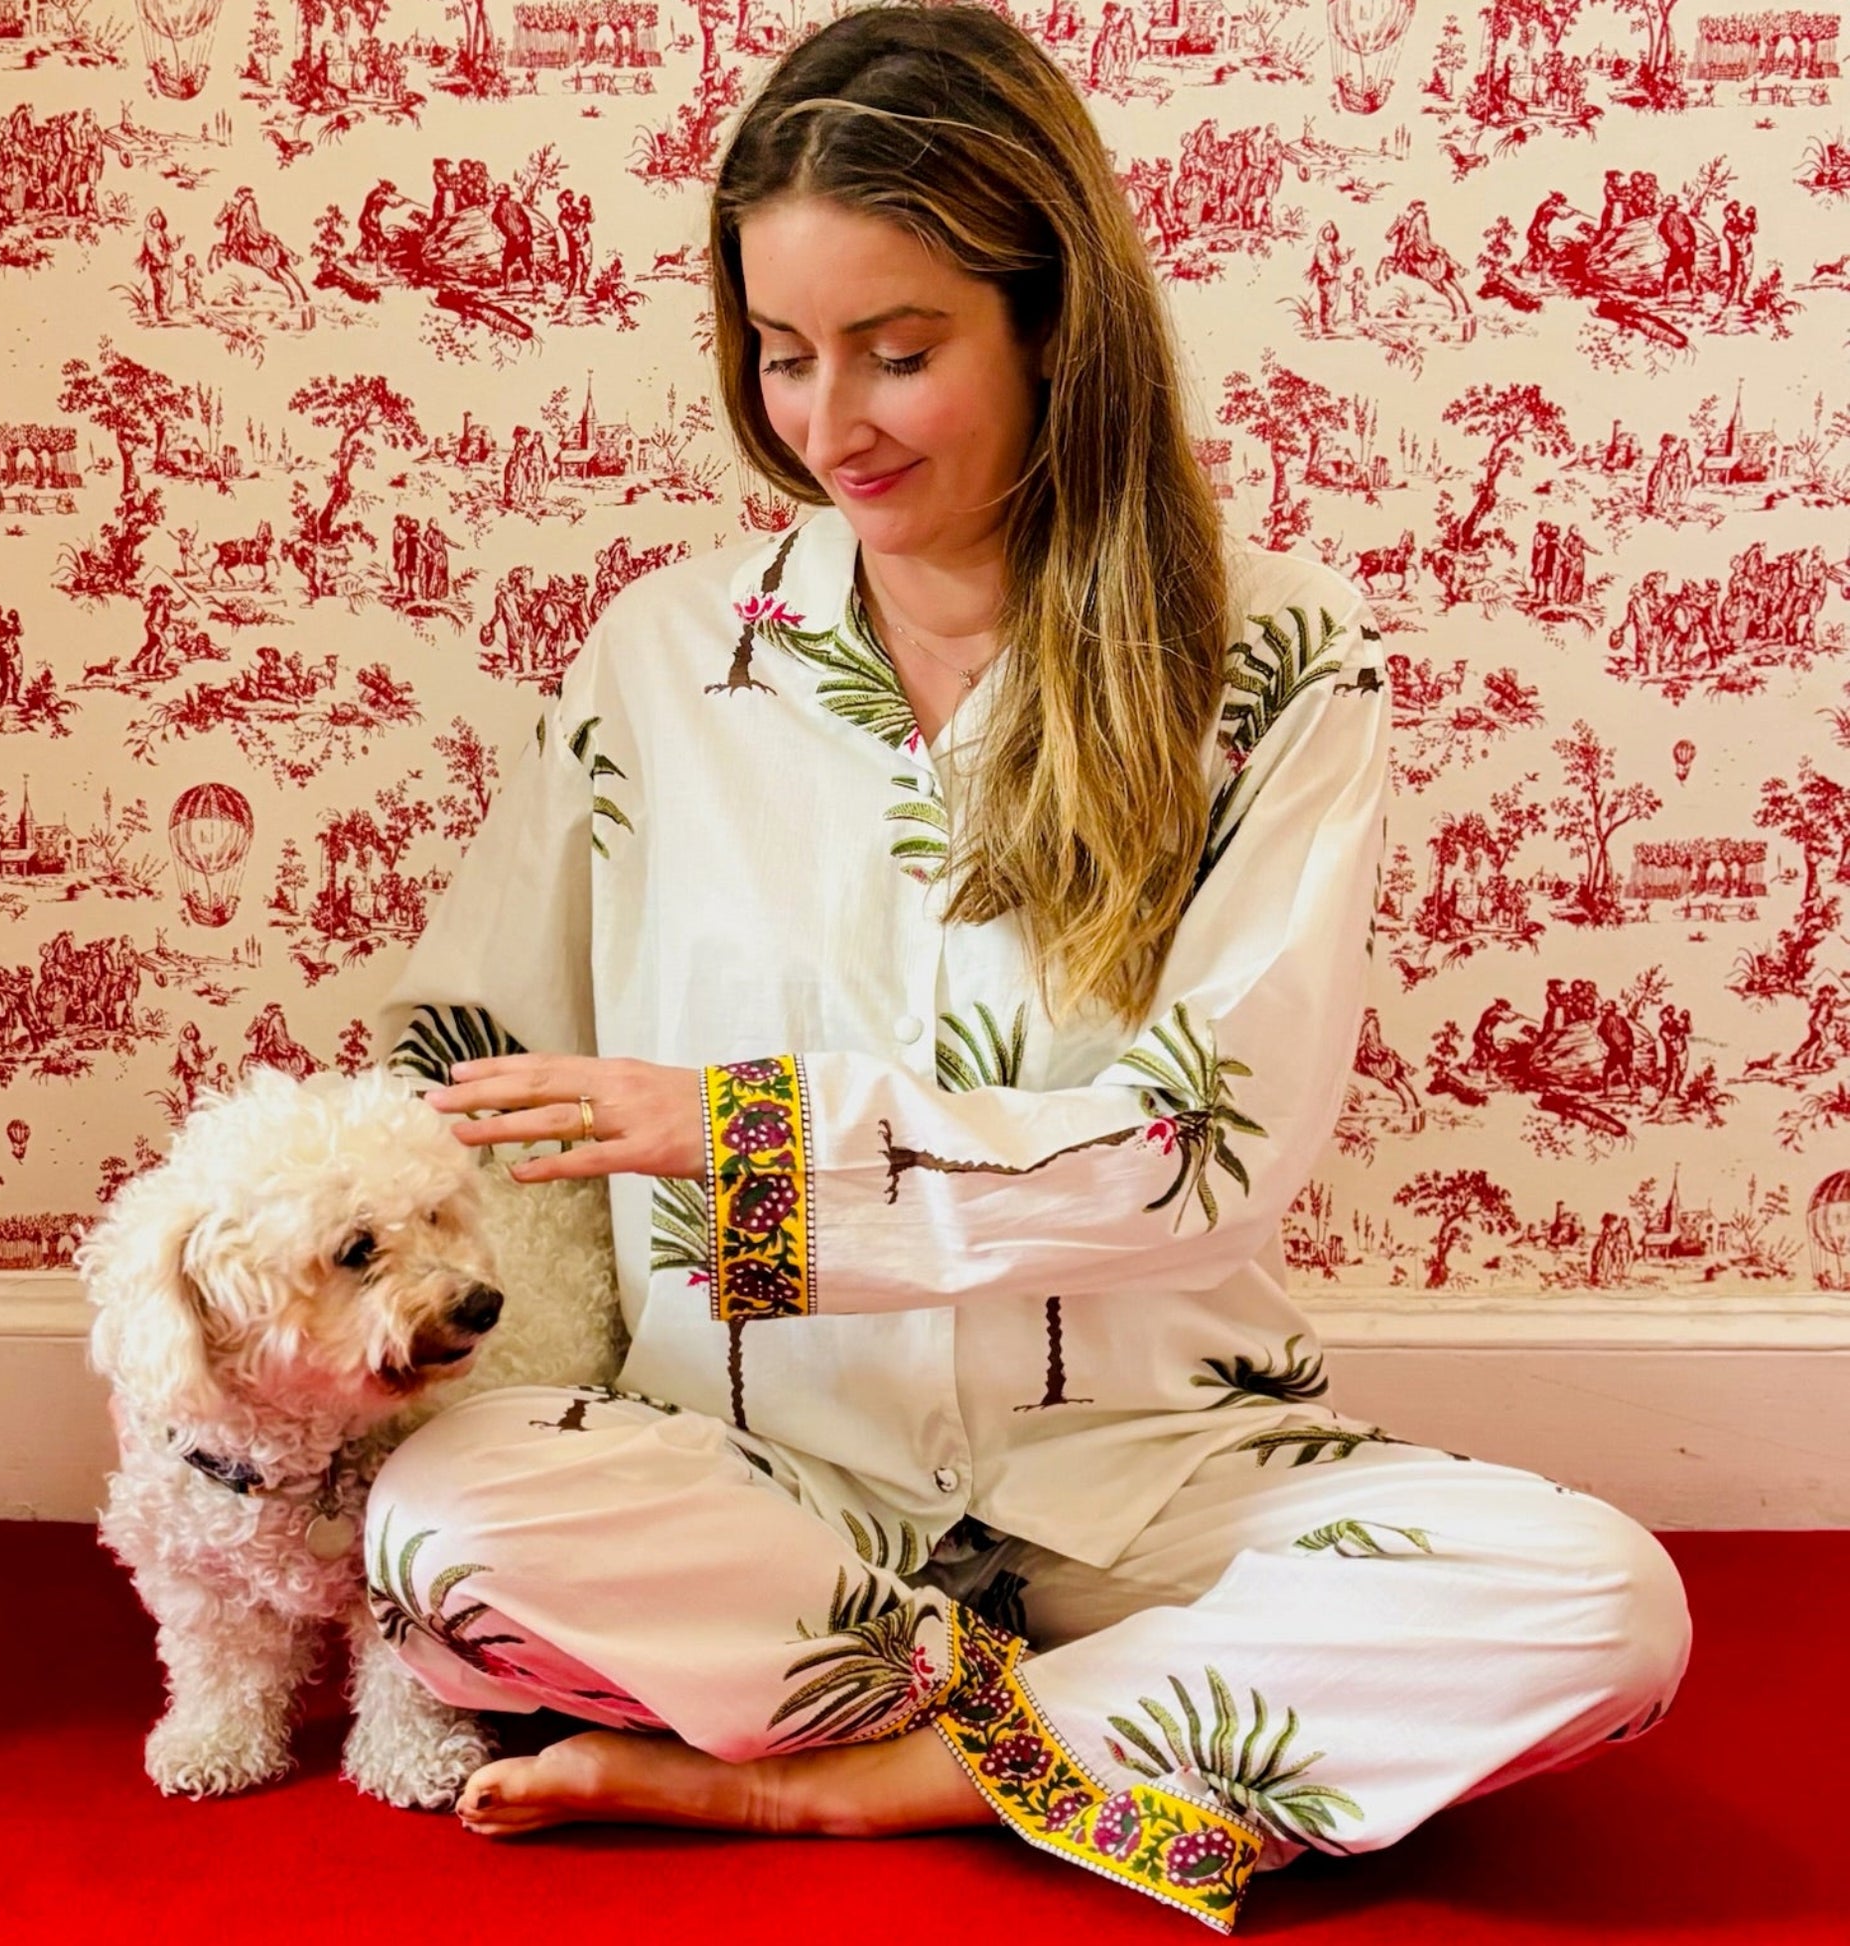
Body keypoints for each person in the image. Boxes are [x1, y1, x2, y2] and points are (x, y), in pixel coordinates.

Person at [366, 5, 1689, 1930]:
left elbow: (1204, 1153)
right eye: (784, 351)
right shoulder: (662, 664)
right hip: (762, 1468)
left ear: (1054, 321)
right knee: (439, 1532)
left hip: (1154, 1466)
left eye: (901, 353)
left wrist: (745, 1139)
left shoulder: (1276, 669)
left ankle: (846, 1785)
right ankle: (1081, 1740)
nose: (829, 427)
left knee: (1599, 1607)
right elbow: (477, 1068)